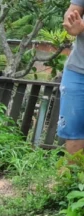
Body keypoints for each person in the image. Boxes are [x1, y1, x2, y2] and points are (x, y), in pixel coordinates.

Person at [62, 2, 84, 156]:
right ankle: (73, 179)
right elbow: (71, 14)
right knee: (74, 133)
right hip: (78, 71)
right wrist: (71, 25)